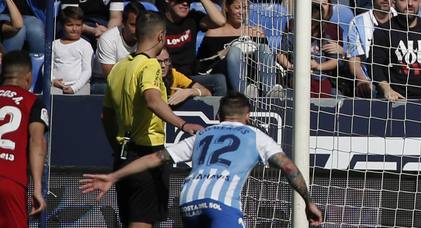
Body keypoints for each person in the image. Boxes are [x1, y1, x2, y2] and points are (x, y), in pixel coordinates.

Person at [82, 91, 322, 227]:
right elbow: (289, 167)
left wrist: (114, 176)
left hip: (189, 202)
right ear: (247, 116)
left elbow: (156, 158)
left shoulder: (203, 134)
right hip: (222, 203)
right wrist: (308, 201)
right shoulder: (256, 135)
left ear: (219, 115)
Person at [102, 12, 203, 228]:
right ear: (161, 36)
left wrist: (118, 146)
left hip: (124, 155)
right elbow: (152, 101)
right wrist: (183, 125)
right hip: (146, 153)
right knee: (142, 222)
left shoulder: (119, 67)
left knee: (132, 220)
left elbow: (106, 116)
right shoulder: (149, 65)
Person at [0, 51, 45, 220]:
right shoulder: (32, 102)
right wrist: (37, 188)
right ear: (28, 77)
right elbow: (37, 141)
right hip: (10, 181)